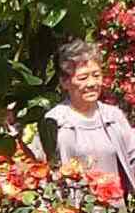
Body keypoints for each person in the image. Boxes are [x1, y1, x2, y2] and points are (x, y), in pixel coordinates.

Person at [39, 39, 135, 194]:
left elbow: (132, 158)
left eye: (96, 75)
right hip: (73, 208)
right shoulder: (55, 122)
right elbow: (42, 170)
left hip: (116, 207)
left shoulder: (113, 117)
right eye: (83, 78)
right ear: (64, 82)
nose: (92, 83)